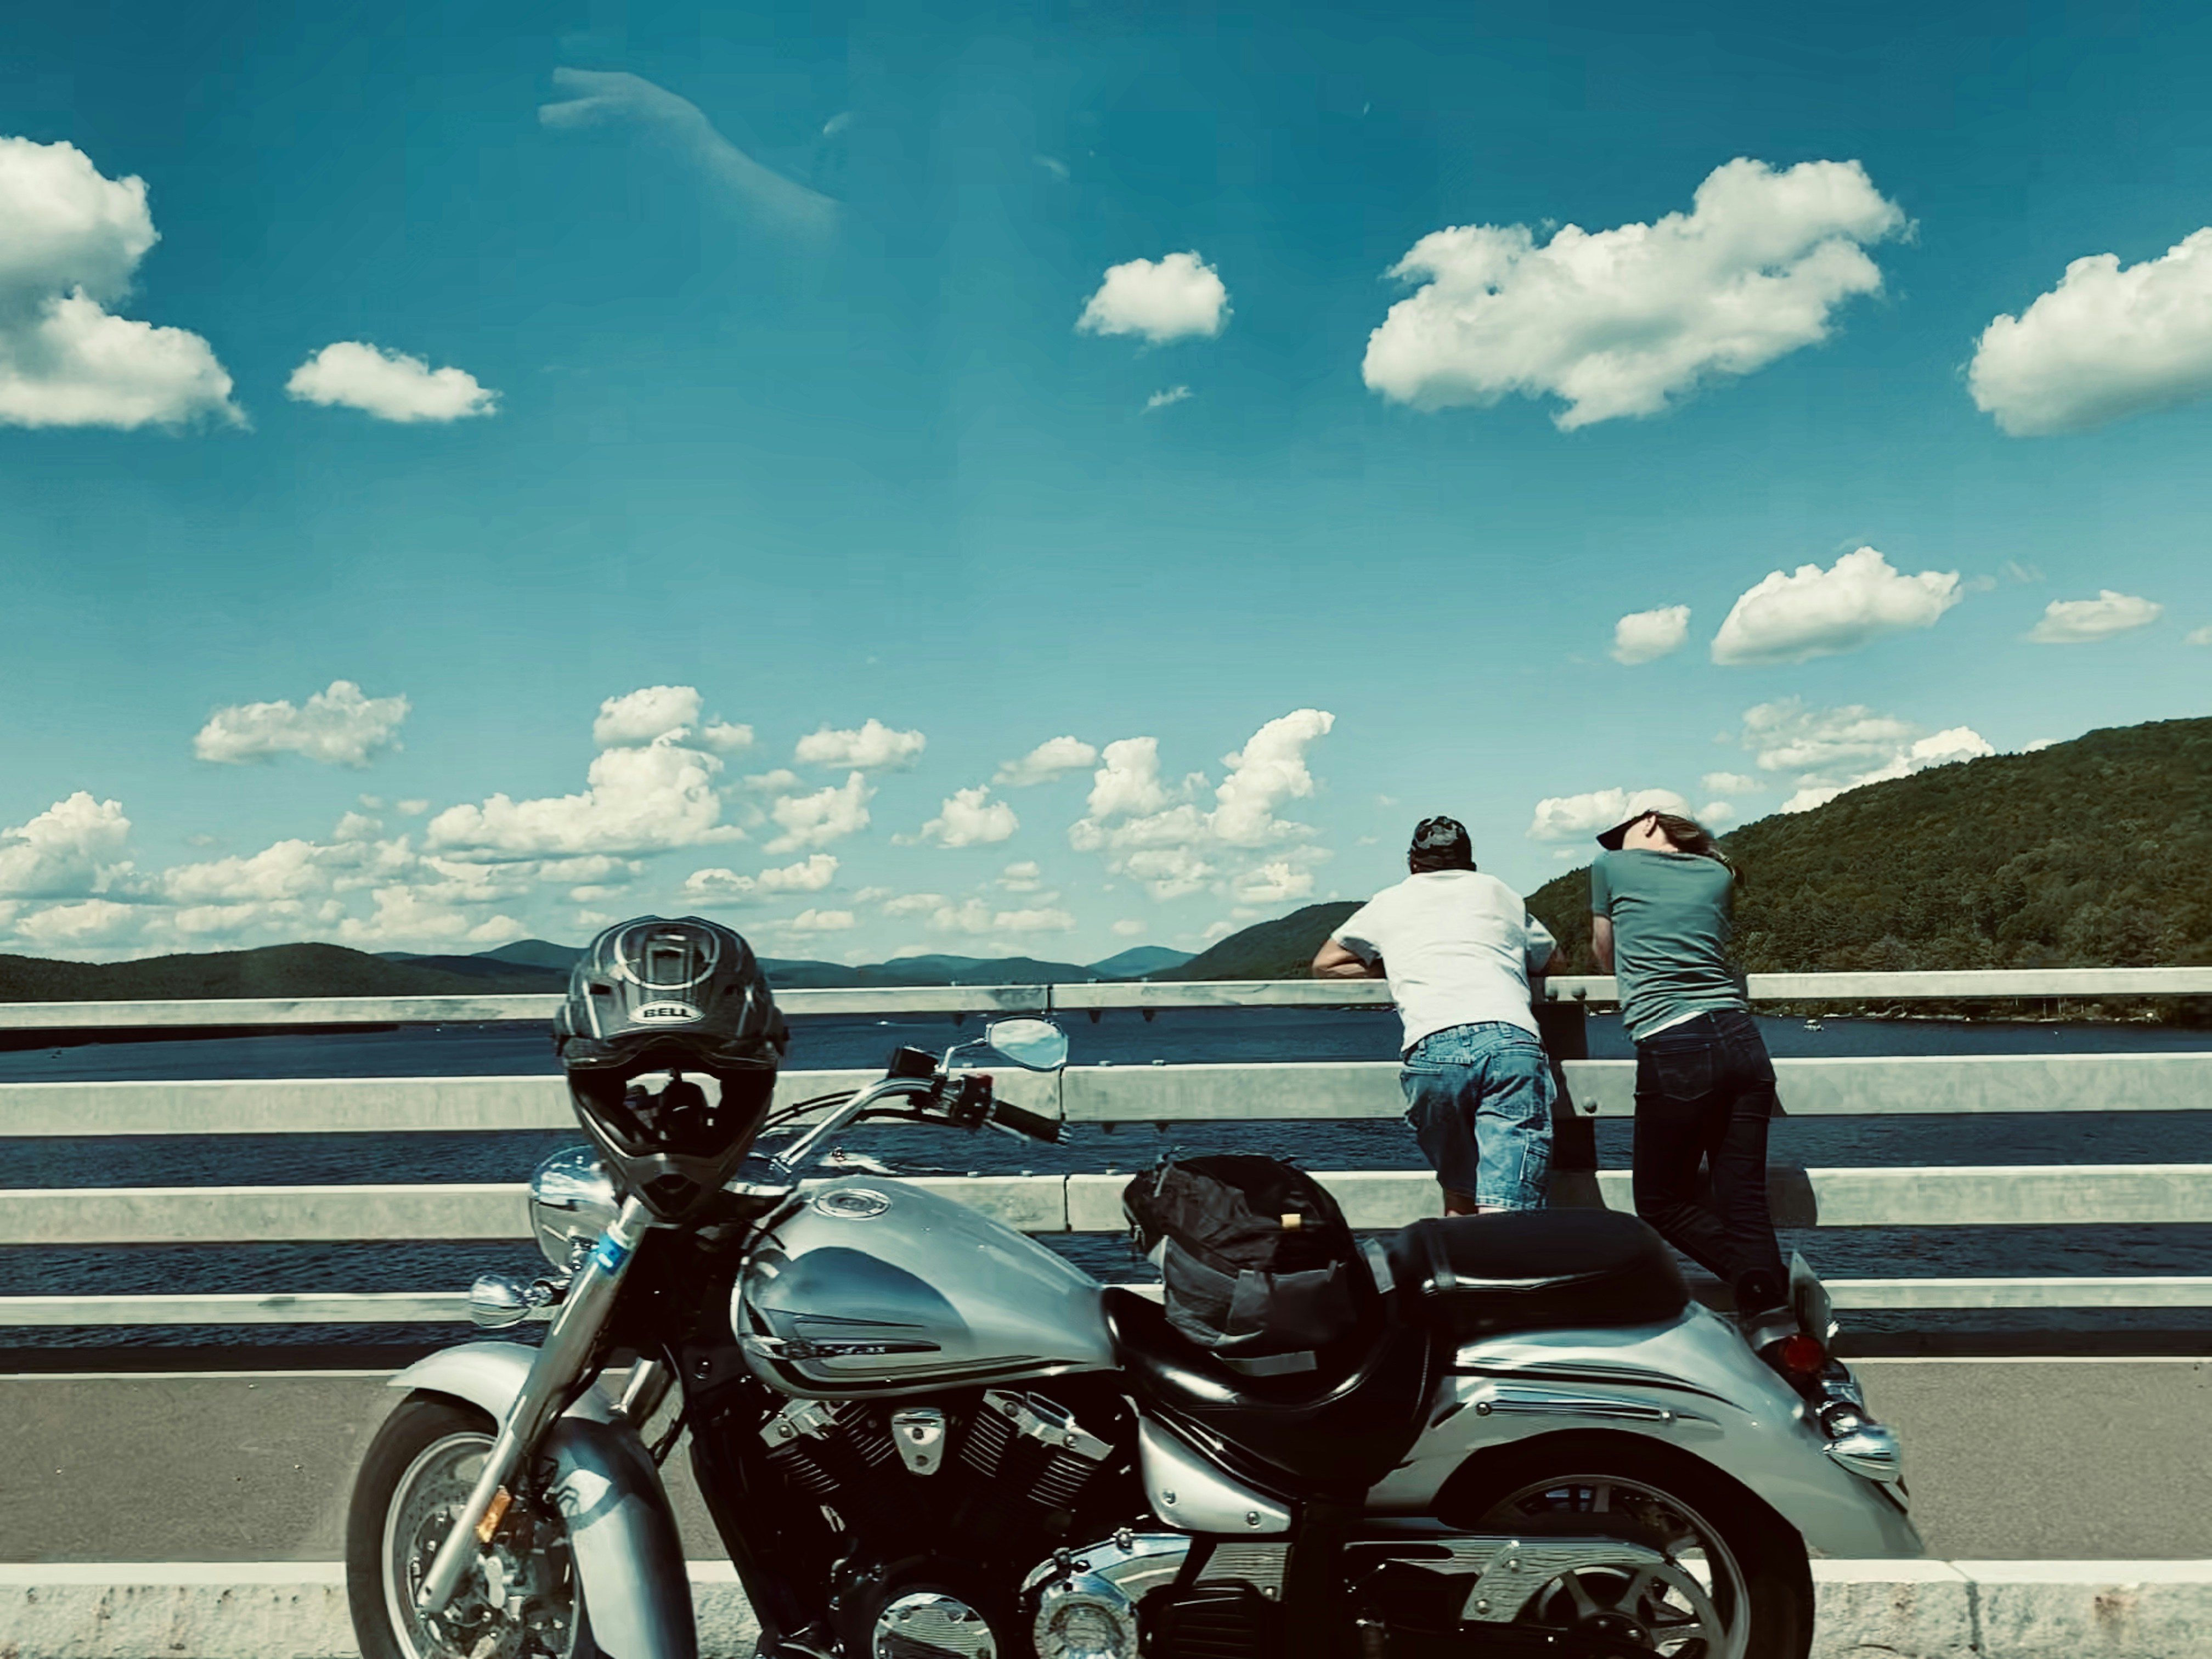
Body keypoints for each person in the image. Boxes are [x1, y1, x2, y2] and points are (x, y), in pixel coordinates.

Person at [1589, 809, 1801, 1355]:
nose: (1619, 844)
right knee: (1744, 1199)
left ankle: (1764, 1286)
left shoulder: (1609, 866)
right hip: (1742, 1039)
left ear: (1654, 821)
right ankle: (1776, 1323)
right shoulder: (1718, 874)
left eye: (1626, 832)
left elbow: (1604, 952)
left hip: (1674, 1040)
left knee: (1660, 1202)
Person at [1311, 816, 1558, 1215]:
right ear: (1470, 864)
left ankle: (1461, 1272)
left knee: (1459, 1191)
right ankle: (1507, 1270)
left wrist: (1399, 963)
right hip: (1511, 1042)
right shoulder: (1501, 894)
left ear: (1412, 863)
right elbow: (1553, 961)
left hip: (1433, 1046)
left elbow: (1325, 965)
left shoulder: (1388, 901)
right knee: (1507, 1206)